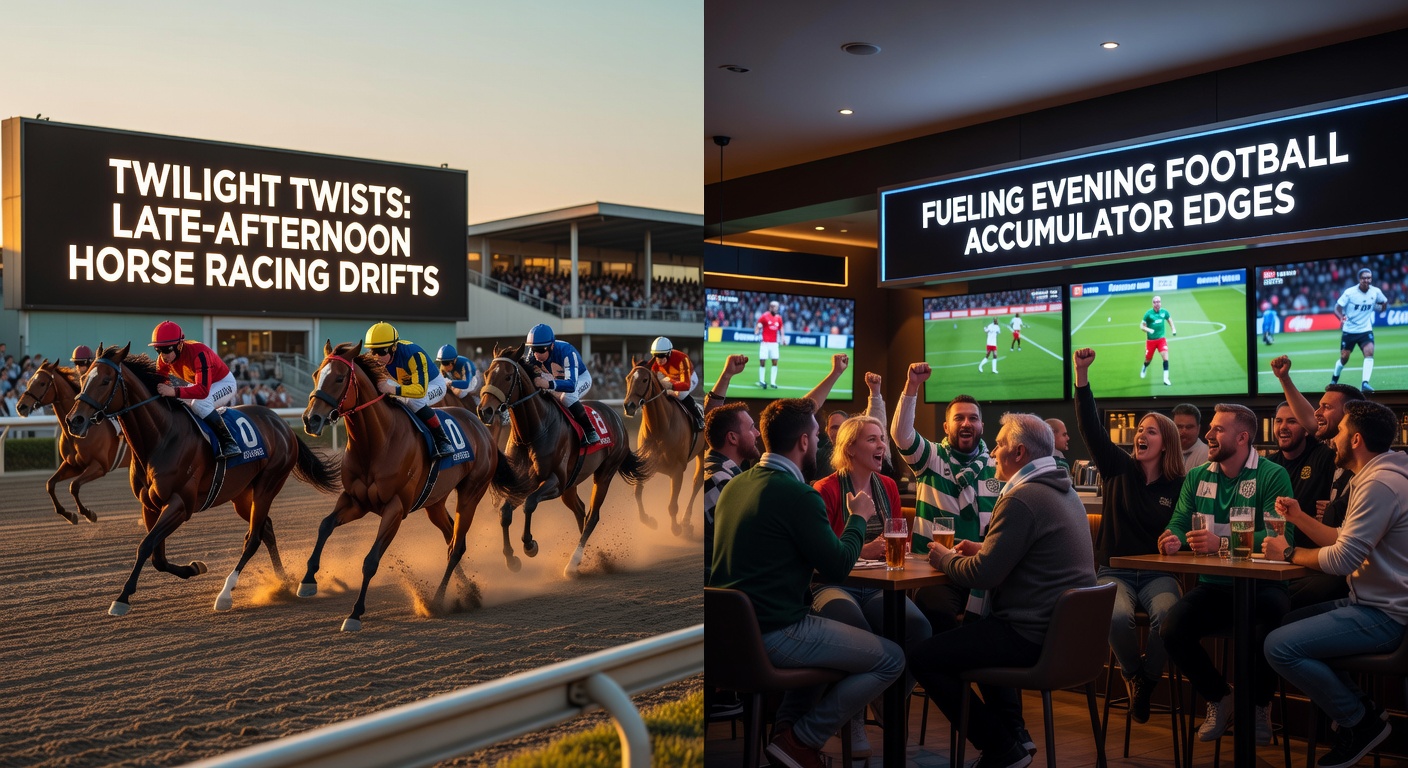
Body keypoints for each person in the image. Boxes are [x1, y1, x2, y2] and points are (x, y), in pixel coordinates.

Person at [710, 398, 905, 768]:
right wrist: (858, 518)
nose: (819, 444)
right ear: (803, 441)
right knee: (892, 659)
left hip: (728, 635)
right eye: (817, 435)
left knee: (828, 636)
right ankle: (802, 740)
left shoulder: (736, 485)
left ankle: (786, 737)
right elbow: (837, 566)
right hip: (775, 632)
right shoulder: (799, 495)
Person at [908, 413, 1095, 768]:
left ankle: (1001, 748)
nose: (992, 452)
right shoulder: (1062, 490)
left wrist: (945, 558)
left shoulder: (1022, 498)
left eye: (999, 444)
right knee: (976, 634)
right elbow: (1029, 554)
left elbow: (983, 576)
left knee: (923, 657)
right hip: (1064, 637)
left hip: (1031, 635)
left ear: (1020, 452)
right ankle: (1014, 737)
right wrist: (986, 548)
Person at [1262, 400, 1407, 768]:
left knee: (1278, 647)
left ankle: (1360, 722)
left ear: (1356, 439)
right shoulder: (1378, 475)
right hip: (1374, 603)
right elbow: (1345, 537)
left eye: (1339, 432)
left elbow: (1343, 559)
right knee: (1287, 625)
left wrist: (1290, 553)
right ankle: (1363, 707)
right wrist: (1299, 516)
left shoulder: (1380, 484)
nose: (1332, 439)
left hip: (1387, 614)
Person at [1156, 403, 1295, 745]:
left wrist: (1220, 543)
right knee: (1172, 629)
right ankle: (1220, 697)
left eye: (1218, 429)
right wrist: (1172, 539)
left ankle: (1260, 707)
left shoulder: (1272, 474)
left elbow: (1281, 538)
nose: (1208, 435)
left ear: (1243, 437)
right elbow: (1178, 521)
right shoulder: (1197, 475)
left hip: (1262, 587)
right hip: (1215, 587)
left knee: (1270, 626)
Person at [1073, 348, 1185, 723]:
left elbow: (1186, 527)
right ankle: (1134, 675)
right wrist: (1082, 375)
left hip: (1158, 574)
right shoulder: (1117, 468)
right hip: (1115, 571)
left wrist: (1178, 540)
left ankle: (1147, 679)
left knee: (1170, 616)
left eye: (1149, 431)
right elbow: (1090, 426)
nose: (1140, 435)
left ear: (1165, 443)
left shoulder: (1180, 484)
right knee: (1114, 618)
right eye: (1139, 430)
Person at [811, 411, 932, 756]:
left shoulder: (889, 486)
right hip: (835, 584)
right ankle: (853, 720)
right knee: (861, 633)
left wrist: (895, 549)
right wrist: (864, 548)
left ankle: (881, 697)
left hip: (879, 584)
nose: (882, 446)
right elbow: (824, 555)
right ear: (849, 449)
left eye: (882, 440)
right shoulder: (826, 489)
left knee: (919, 629)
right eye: (873, 440)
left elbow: (899, 538)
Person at [891, 363, 1000, 632]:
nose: (966, 423)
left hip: (980, 572)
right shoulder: (931, 458)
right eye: (959, 418)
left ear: (982, 426)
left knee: (1000, 620)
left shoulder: (998, 466)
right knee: (937, 614)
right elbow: (901, 435)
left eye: (973, 418)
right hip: (935, 574)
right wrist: (912, 387)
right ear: (946, 425)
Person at [1269, 355, 1366, 609]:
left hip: (1359, 585)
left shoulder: (1373, 470)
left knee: (1273, 607)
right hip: (1341, 571)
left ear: (1349, 418)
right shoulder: (1339, 452)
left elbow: (1345, 552)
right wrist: (1284, 378)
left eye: (1325, 407)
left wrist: (1289, 553)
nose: (1317, 413)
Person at [148, 320, 241, 459]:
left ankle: (229, 443)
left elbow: (203, 391)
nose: (163, 355)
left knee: (199, 404)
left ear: (179, 345)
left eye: (167, 349)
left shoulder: (199, 353)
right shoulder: (163, 360)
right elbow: (160, 383)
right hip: (199, 384)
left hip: (223, 383)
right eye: (158, 350)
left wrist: (173, 391)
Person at [364, 321, 454, 458]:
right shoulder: (378, 358)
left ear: (393, 347)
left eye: (381, 352)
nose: (376, 357)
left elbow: (420, 390)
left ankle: (443, 440)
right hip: (407, 385)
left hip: (433, 385)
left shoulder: (414, 354)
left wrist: (392, 390)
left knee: (414, 401)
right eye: (372, 351)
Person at [523, 323, 599, 447]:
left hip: (579, 379)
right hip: (556, 377)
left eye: (542, 350)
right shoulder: (533, 354)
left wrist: (547, 384)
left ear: (552, 346)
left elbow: (570, 385)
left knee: (567, 397)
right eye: (534, 349)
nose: (537, 354)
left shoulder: (567, 351)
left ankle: (590, 431)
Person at [1331, 267, 1388, 393]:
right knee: (1344, 358)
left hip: (1365, 329)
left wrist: (1382, 307)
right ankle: (1334, 379)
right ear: (1359, 279)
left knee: (1369, 352)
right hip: (1349, 330)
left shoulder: (1375, 292)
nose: (1366, 280)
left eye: (1369, 278)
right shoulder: (1350, 293)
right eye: (1364, 278)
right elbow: (1337, 307)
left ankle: (1365, 384)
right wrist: (1341, 318)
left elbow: (1384, 302)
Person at [646, 336, 705, 431]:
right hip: (672, 378)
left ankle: (699, 417)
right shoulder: (655, 362)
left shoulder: (682, 358)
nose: (658, 359)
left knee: (680, 394)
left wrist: (670, 386)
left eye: (661, 356)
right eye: (655, 355)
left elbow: (686, 385)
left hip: (689, 378)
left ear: (669, 353)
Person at [1139, 294, 1177, 386]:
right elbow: (1141, 326)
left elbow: (1169, 319)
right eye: (1155, 302)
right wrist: (1149, 330)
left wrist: (1173, 328)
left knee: (1165, 358)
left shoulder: (1164, 312)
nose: (1157, 304)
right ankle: (1144, 367)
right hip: (1150, 341)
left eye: (1158, 302)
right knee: (1148, 359)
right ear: (1152, 304)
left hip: (1161, 339)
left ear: (1161, 303)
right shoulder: (1148, 314)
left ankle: (1166, 379)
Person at [434, 343, 482, 407]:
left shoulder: (465, 364)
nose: (443, 366)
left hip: (472, 381)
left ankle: (476, 408)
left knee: (462, 394)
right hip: (457, 379)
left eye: (446, 363)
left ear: (454, 360)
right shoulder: (443, 365)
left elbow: (466, 384)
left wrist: (451, 383)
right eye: (442, 362)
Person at [755, 299, 785, 389]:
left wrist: (783, 338)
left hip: (774, 344)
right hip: (765, 343)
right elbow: (758, 325)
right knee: (762, 362)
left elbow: (781, 328)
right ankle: (762, 380)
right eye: (773, 307)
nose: (775, 308)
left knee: (775, 362)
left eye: (776, 307)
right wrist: (757, 330)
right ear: (770, 307)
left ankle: (773, 382)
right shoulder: (764, 316)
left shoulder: (779, 318)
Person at [1172, 403, 1209, 471]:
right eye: (1179, 427)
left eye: (1189, 427)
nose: (1184, 431)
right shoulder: (1166, 451)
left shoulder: (1206, 454)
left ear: (1198, 429)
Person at [815, 409, 848, 475]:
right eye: (834, 428)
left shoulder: (857, 454)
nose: (838, 432)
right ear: (827, 431)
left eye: (842, 427)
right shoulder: (818, 456)